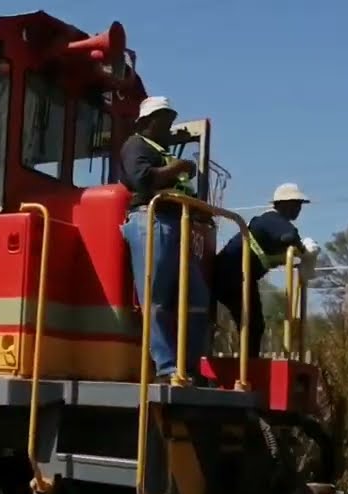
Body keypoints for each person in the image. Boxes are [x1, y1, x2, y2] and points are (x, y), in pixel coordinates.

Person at [120, 96, 210, 385]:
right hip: (152, 219)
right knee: (156, 297)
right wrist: (179, 167)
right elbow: (141, 179)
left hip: (177, 223)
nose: (169, 126)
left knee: (198, 298)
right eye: (164, 120)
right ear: (147, 122)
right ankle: (166, 367)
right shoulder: (135, 145)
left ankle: (190, 365)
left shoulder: (161, 150)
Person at [211, 183, 320, 358]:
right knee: (251, 324)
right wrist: (303, 247)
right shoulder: (273, 220)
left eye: (299, 204)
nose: (298, 208)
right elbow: (289, 237)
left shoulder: (269, 222)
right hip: (231, 274)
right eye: (295, 204)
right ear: (282, 204)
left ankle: (248, 364)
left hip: (238, 276)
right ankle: (247, 365)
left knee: (253, 324)